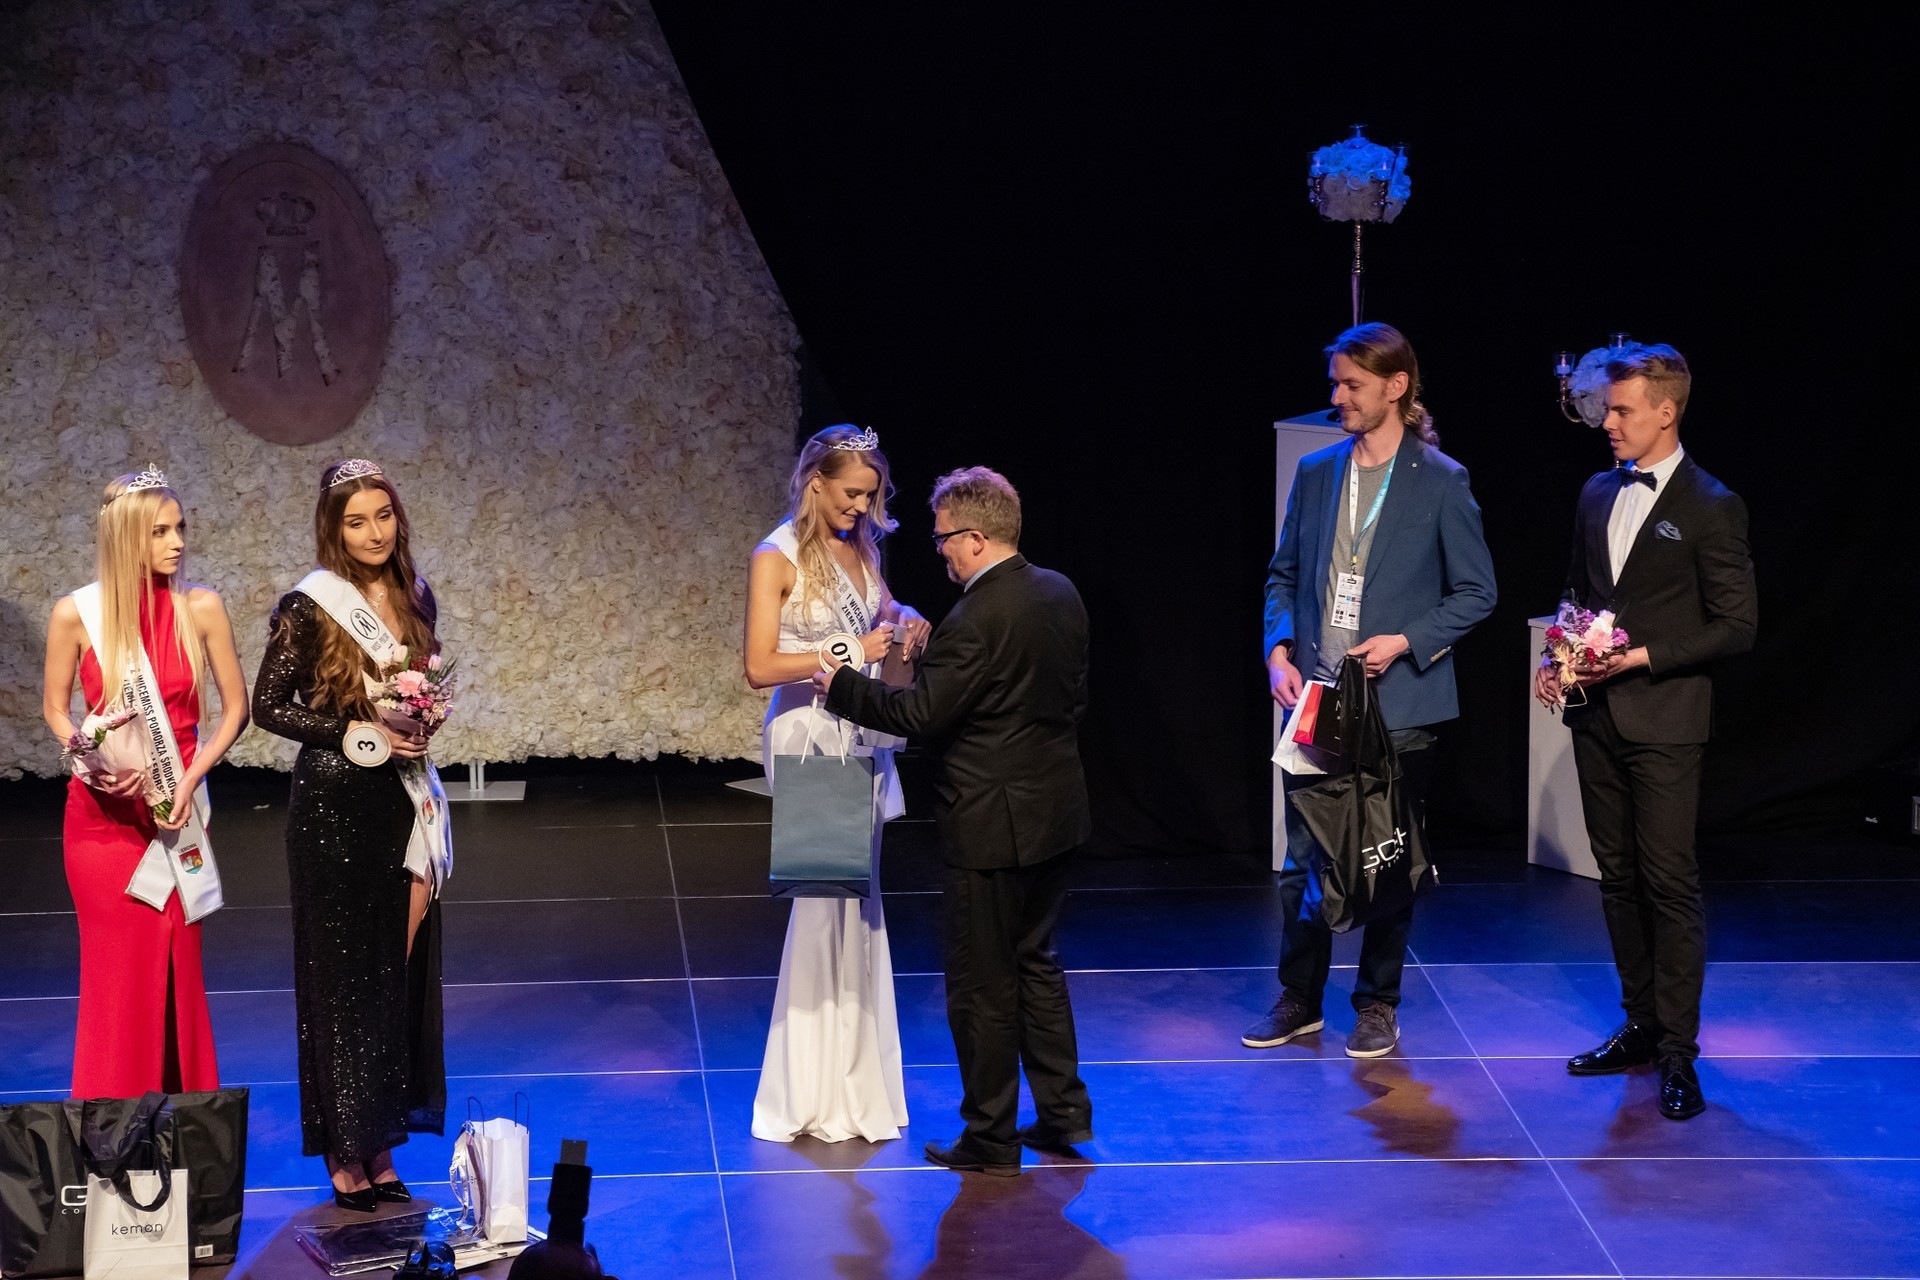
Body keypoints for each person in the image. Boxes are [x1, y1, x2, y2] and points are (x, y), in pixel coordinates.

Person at [816, 466, 1093, 1177]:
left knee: (981, 984)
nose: (939, 551)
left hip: (992, 825)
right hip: (1057, 812)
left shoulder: (976, 617)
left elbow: (920, 714)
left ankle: (990, 1136)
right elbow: (1067, 698)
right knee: (1035, 960)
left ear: (975, 538)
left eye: (943, 539)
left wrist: (841, 686)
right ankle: (1063, 1112)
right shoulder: (1059, 592)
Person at [1246, 322, 1497, 1058]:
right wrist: (1278, 648)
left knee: (1385, 857)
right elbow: (1283, 575)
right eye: (1336, 383)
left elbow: (1477, 591)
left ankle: (1378, 1002)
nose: (1339, 396)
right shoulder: (1318, 472)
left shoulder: (1441, 479)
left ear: (1396, 386)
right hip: (1317, 700)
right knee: (1304, 860)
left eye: (1352, 385)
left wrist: (1405, 640)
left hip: (1399, 705)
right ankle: (1300, 997)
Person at [1533, 343, 1756, 1121]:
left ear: (1666, 411)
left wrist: (1639, 659)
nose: (1608, 421)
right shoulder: (1597, 490)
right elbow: (1577, 588)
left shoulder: (1711, 503)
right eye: (1607, 408)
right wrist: (1558, 656)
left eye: (1623, 409)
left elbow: (1737, 626)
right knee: (1618, 876)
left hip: (1665, 719)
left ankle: (1678, 1053)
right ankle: (1641, 1024)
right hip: (1595, 715)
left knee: (1668, 881)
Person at [253, 459, 449, 1210]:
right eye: (356, 521)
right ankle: (344, 1150)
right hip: (334, 804)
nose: (374, 533)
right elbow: (271, 706)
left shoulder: (416, 594)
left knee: (392, 975)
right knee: (342, 983)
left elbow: (417, 689)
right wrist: (353, 731)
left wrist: (423, 720)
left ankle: (382, 1141)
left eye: (383, 516)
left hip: (401, 798)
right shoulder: (309, 607)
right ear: (333, 529)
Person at [742, 424, 931, 1144]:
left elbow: (884, 623)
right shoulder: (776, 555)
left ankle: (855, 1082)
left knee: (860, 904)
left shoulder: (862, 549)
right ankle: (807, 1091)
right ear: (815, 482)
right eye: (851, 494)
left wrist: (905, 623)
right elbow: (759, 665)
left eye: (870, 496)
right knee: (825, 903)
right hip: (809, 739)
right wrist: (848, 650)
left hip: (861, 731)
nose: (860, 507)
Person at [41, 466, 249, 1098]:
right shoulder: (76, 614)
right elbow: (55, 709)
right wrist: (87, 756)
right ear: (125, 536)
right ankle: (111, 1128)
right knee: (115, 981)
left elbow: (235, 710)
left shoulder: (199, 607)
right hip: (102, 824)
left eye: (179, 528)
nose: (176, 542)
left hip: (173, 813)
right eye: (159, 532)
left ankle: (184, 1126)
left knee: (177, 968)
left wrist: (190, 779)